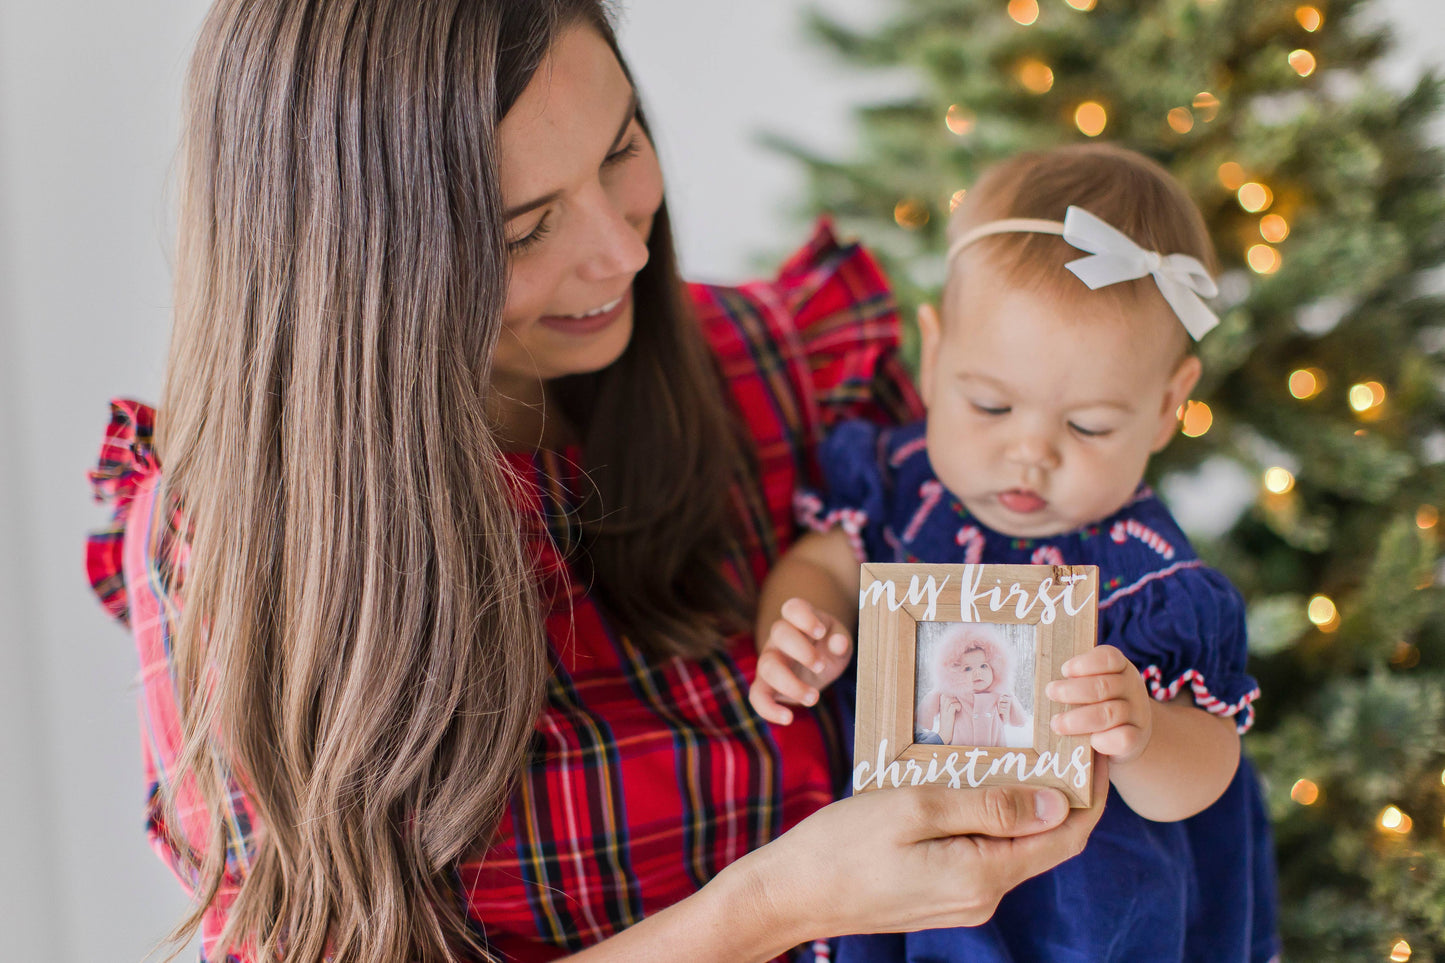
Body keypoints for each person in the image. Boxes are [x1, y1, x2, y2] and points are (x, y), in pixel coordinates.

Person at [84, 3, 1105, 962]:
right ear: (361, 268)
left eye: (619, 147)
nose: (621, 249)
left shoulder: (779, 361)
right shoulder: (229, 545)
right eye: (525, 229)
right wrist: (772, 908)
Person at [748, 144, 1281, 962]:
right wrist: (799, 627)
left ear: (1168, 404)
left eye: (1088, 425)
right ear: (933, 355)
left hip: (1083, 911)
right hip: (899, 869)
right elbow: (819, 563)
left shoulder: (1151, 575)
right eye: (989, 404)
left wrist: (1142, 733)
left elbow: (1208, 771)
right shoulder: (894, 486)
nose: (1029, 453)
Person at [915, 625, 1024, 748]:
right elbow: (924, 714)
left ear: (995, 667)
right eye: (967, 668)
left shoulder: (1000, 693)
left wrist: (1010, 710)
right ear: (955, 673)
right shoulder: (951, 694)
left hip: (995, 754)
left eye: (983, 666)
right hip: (959, 755)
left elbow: (1019, 721)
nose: (978, 673)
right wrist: (923, 720)